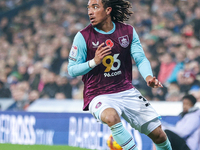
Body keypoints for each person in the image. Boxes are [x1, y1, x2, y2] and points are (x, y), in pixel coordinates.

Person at [68, 0, 172, 149]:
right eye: (89, 8)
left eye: (95, 7)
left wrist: (148, 77)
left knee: (159, 135)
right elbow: (72, 70)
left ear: (108, 10)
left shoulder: (127, 31)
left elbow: (140, 58)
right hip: (98, 93)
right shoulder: (83, 36)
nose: (90, 12)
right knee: (111, 117)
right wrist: (94, 61)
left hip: (126, 90)